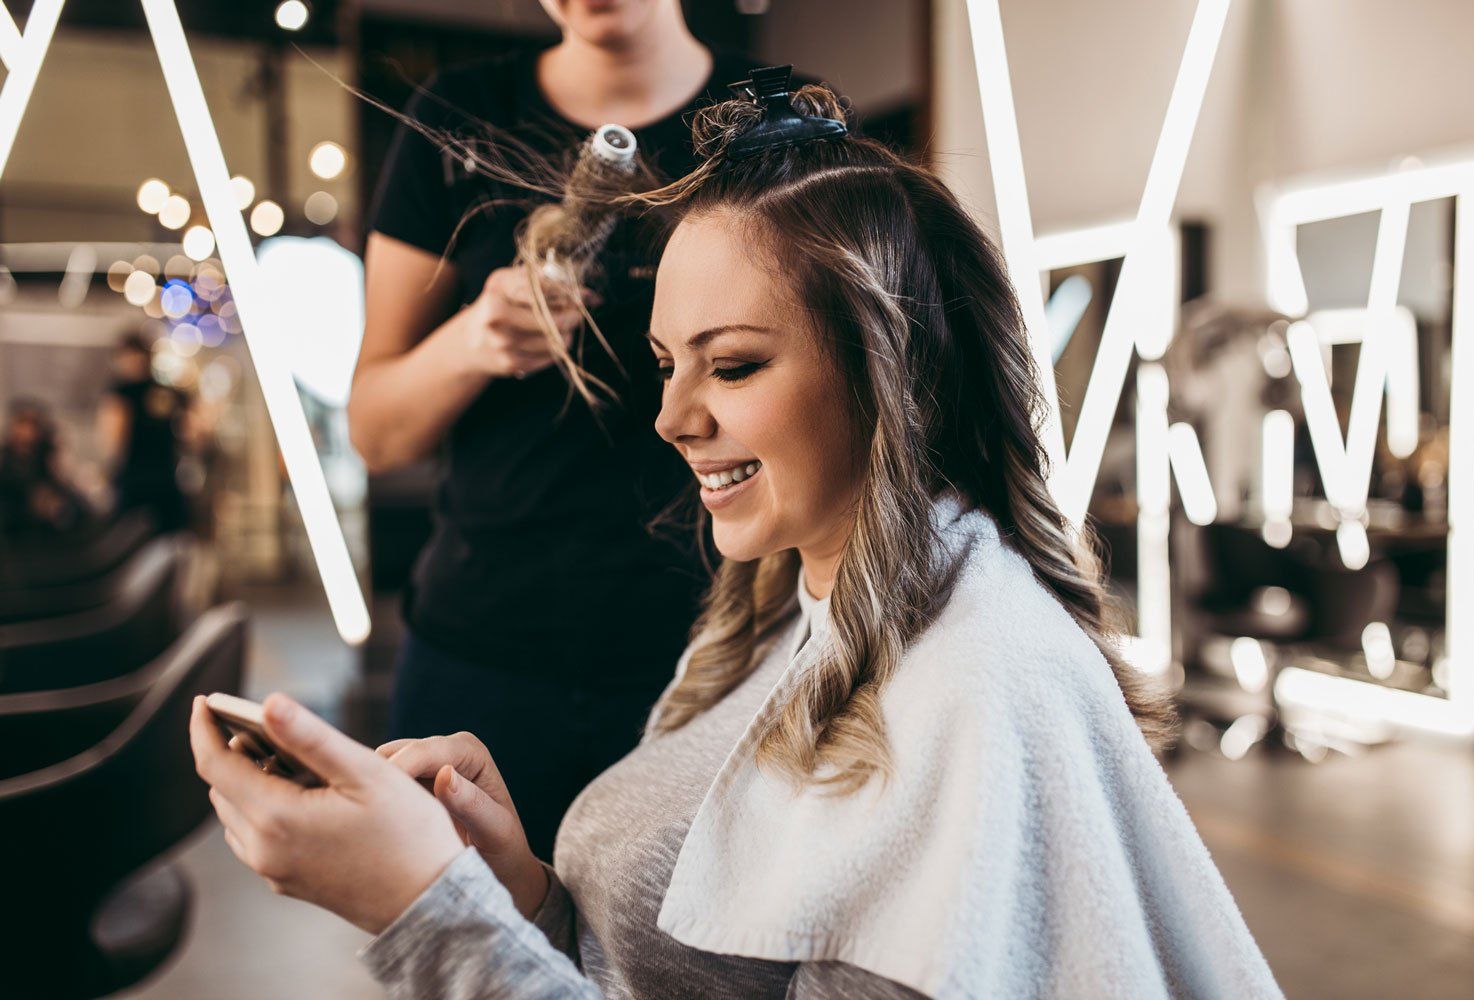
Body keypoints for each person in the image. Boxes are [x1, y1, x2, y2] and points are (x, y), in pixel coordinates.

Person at [190, 76, 1282, 998]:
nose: (671, 419)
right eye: (668, 364)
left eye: (736, 364)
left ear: (893, 370)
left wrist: (426, 911)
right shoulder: (779, 616)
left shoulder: (977, 697)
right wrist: (511, 885)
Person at [353, 0, 784, 862]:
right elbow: (376, 430)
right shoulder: (455, 119)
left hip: (721, 655)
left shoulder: (779, 122)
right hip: (485, 652)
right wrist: (471, 343)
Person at [97, 333, 190, 533]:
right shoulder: (168, 392)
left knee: (129, 538)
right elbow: (187, 433)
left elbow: (113, 441)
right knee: (168, 537)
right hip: (166, 476)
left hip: (135, 478)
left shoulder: (120, 394)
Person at [0, 399, 90, 540]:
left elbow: (64, 486)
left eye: (33, 424)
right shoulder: (6, 458)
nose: (28, 431)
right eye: (23, 423)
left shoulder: (45, 456)